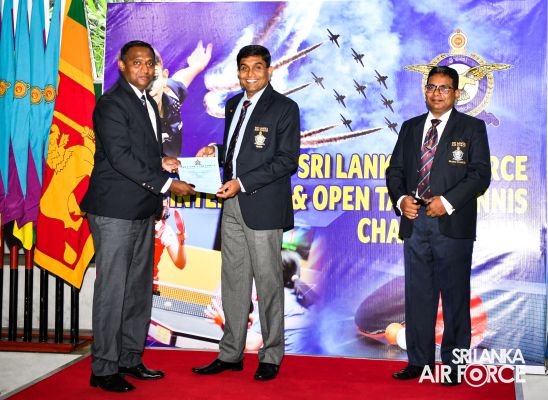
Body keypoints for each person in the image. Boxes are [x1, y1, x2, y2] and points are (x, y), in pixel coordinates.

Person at [81, 40, 195, 393]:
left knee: (138, 290)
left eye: (149, 63)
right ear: (121, 64)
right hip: (115, 211)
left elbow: (139, 152)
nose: (144, 68)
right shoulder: (112, 103)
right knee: (113, 290)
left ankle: (129, 358)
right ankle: (104, 368)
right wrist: (167, 184)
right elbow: (119, 157)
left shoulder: (146, 102)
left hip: (143, 209)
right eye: (137, 62)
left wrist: (162, 161)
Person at [191, 45, 301, 381]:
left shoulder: (284, 107)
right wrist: (215, 151)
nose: (250, 74)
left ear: (269, 70)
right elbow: (238, 151)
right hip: (232, 204)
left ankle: (271, 355)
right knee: (233, 282)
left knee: (268, 283)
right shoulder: (233, 104)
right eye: (244, 68)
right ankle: (231, 353)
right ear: (238, 72)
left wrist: (242, 182)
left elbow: (286, 160)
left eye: (257, 67)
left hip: (263, 206)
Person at [386, 66, 491, 385]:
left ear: (456, 93)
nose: (437, 93)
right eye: (432, 87)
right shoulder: (410, 127)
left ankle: (455, 365)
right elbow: (394, 171)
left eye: (444, 88)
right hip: (415, 222)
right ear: (425, 90)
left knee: (455, 297)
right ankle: (418, 361)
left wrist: (446, 202)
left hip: (452, 224)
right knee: (418, 295)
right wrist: (401, 199)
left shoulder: (472, 128)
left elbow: (480, 175)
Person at [148, 41, 213, 157]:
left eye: (154, 77)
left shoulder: (172, 96)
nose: (149, 86)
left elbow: (181, 79)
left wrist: (197, 66)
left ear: (164, 77)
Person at [153, 201, 187, 295]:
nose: (162, 210)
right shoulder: (137, 222)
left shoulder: (165, 230)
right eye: (159, 206)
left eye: (164, 207)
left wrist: (181, 242)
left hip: (149, 285)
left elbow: (180, 264)